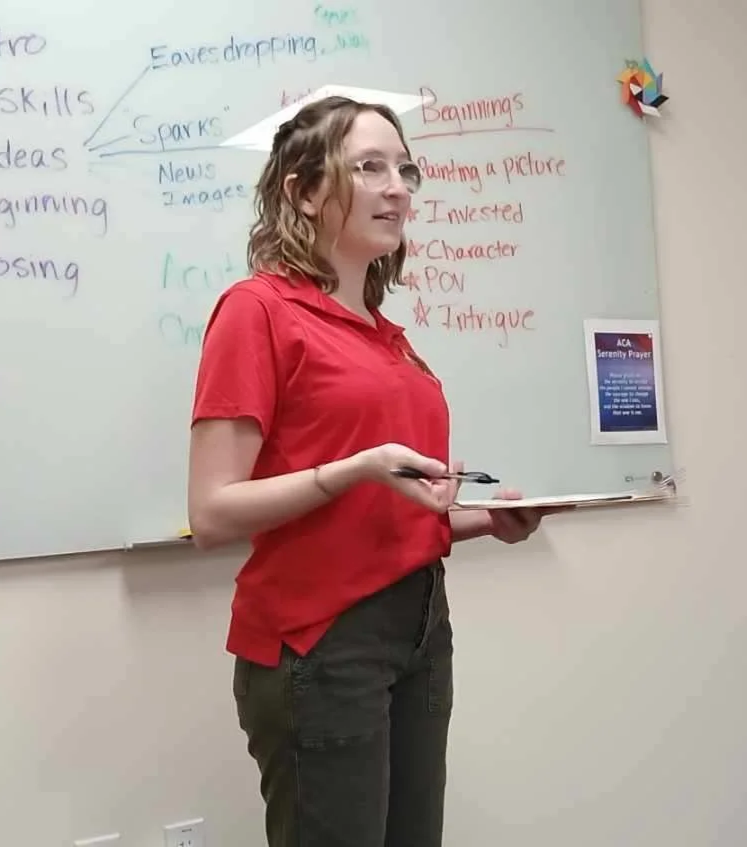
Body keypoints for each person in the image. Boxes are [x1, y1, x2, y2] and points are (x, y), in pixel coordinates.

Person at [187, 95, 558, 847]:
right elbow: (213, 512)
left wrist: (485, 520)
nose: (399, 186)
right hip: (320, 642)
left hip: (420, 625)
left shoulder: (389, 339)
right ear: (302, 190)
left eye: (404, 168)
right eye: (368, 166)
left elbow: (387, 511)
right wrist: (352, 468)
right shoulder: (256, 311)